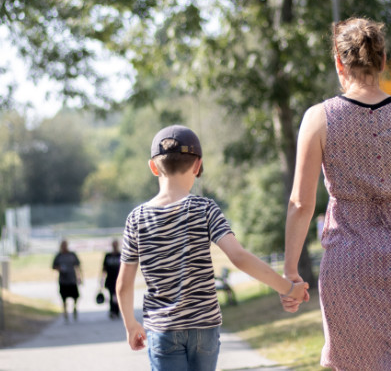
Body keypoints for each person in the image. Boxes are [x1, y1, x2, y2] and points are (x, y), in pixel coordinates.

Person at [282, 17, 391, 370]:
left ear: (338, 62)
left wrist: (289, 272)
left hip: (347, 262)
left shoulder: (318, 119)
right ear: (383, 62)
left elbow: (301, 204)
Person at [117, 125, 309, 371]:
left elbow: (123, 283)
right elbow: (239, 257)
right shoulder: (205, 208)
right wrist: (288, 288)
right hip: (204, 329)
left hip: (163, 329)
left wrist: (130, 324)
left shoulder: (137, 218)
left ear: (153, 167)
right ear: (197, 166)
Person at [52, 239, 83, 322]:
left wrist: (80, 277)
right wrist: (60, 268)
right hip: (63, 280)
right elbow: (53, 266)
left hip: (72, 279)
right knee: (64, 297)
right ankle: (65, 311)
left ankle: (74, 308)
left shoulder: (72, 255)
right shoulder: (59, 256)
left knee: (76, 296)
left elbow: (78, 266)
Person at [100, 238, 122, 319]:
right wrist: (101, 279)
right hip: (110, 279)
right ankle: (112, 311)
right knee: (111, 295)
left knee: (117, 296)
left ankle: (117, 310)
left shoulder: (120, 255)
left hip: (119, 279)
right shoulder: (108, 256)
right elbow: (104, 268)